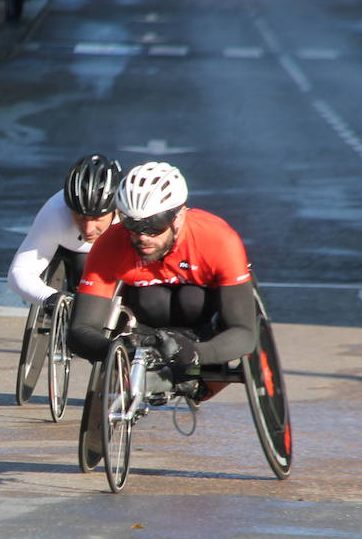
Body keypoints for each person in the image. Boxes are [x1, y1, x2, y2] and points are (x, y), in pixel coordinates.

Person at [69, 162, 258, 468]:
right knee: (148, 296)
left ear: (178, 216)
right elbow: (80, 331)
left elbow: (245, 333)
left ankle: (188, 367)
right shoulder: (111, 244)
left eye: (153, 226)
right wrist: (116, 350)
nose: (142, 237)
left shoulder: (219, 240)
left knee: (191, 296)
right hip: (147, 323)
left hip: (204, 326)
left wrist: (197, 353)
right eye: (132, 226)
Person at [7, 154, 123, 311]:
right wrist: (49, 297)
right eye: (80, 216)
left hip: (119, 261)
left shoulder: (132, 215)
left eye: (97, 218)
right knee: (83, 263)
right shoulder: (55, 212)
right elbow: (20, 272)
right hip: (76, 256)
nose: (88, 229)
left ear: (115, 210)